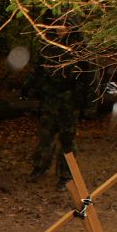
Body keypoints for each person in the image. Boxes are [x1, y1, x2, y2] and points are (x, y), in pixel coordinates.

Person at [22, 38, 92, 190]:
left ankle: (66, 175)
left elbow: (90, 76)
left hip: (70, 102)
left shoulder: (79, 47)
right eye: (59, 24)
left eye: (66, 25)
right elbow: (38, 70)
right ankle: (40, 167)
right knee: (45, 136)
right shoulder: (49, 45)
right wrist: (28, 88)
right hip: (49, 100)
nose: (61, 28)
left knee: (67, 139)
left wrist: (90, 105)